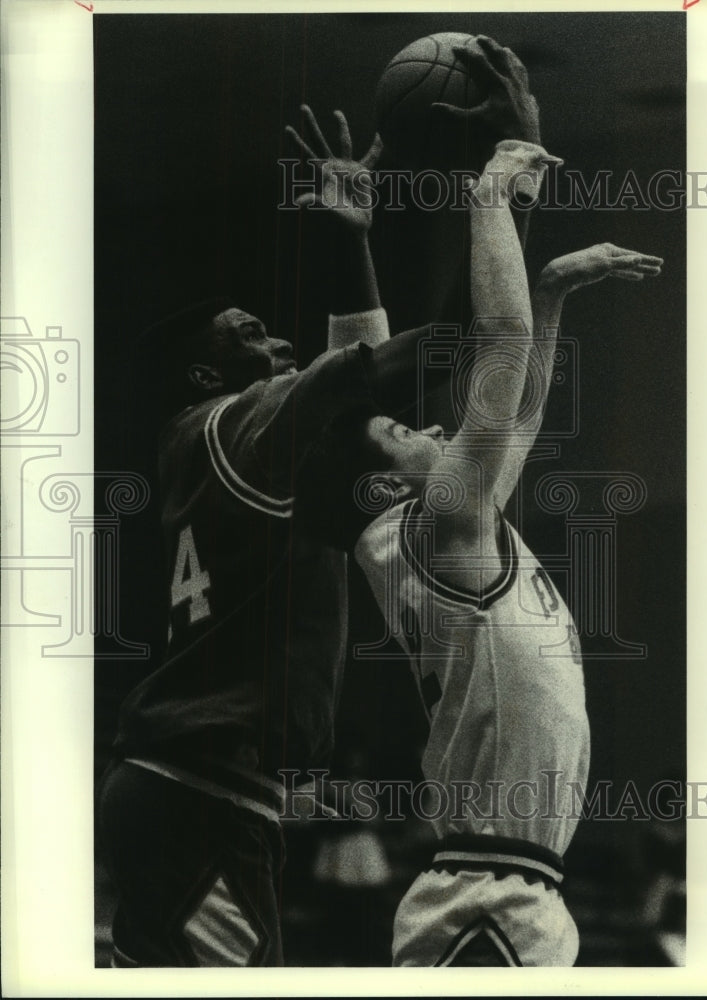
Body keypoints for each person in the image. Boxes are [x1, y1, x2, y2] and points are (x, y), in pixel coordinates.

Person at [97, 109, 452, 968]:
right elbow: (398, 365)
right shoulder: (234, 424)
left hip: (197, 787)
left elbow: (358, 409)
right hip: (198, 790)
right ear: (204, 373)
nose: (282, 342)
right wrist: (503, 275)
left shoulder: (220, 443)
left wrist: (348, 240)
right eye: (250, 335)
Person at [297, 140, 663, 966]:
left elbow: (520, 408)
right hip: (490, 891)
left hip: (499, 886)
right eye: (404, 434)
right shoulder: (440, 529)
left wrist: (552, 289)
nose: (429, 426)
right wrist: (488, 193)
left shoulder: (440, 530)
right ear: (388, 490)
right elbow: (500, 342)